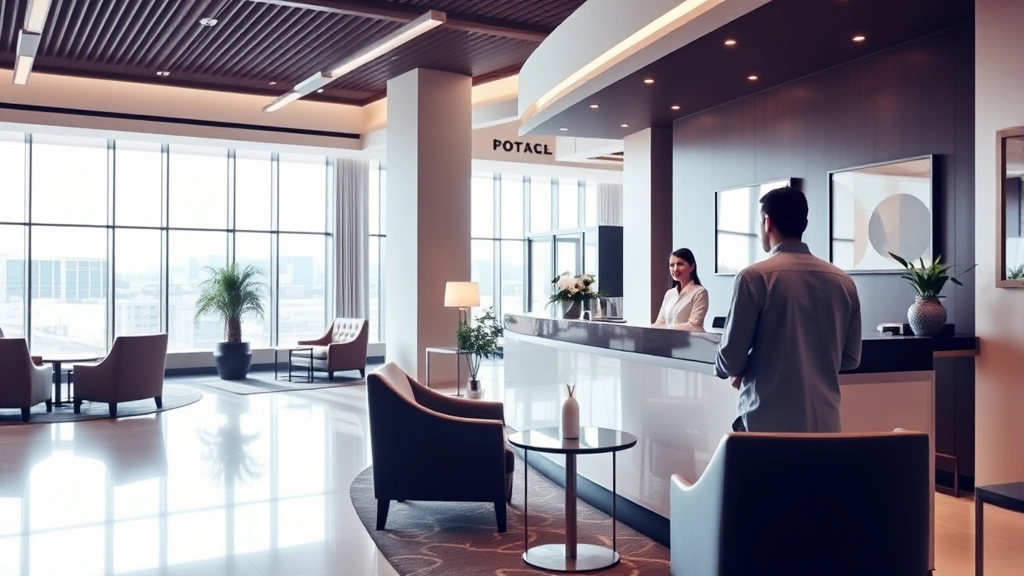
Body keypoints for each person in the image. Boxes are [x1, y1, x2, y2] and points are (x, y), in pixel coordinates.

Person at [715, 186, 861, 433]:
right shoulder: (843, 282)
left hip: (764, 426)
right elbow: (850, 358)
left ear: (767, 222)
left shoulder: (754, 278)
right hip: (825, 427)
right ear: (804, 223)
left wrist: (740, 367)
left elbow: (730, 360)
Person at [652, 248, 709, 331]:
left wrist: (667, 328)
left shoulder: (700, 292)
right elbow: (660, 322)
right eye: (672, 265)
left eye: (680, 264)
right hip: (668, 341)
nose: (675, 269)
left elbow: (694, 325)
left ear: (692, 267)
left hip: (691, 342)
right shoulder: (669, 293)